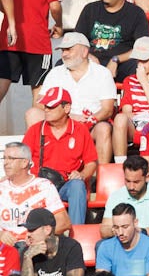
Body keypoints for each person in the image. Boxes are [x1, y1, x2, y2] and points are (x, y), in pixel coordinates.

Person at [29, 33, 116, 164]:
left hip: (91, 125)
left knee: (103, 128)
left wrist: (90, 120)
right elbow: (40, 104)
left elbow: (107, 109)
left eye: (69, 49)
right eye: (63, 50)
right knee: (32, 114)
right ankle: (37, 166)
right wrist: (69, 116)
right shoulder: (55, 73)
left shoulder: (102, 73)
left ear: (85, 51)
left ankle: (98, 178)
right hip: (60, 122)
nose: (64, 54)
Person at [22, 88, 95, 225]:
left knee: (77, 186)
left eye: (51, 106)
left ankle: (76, 234)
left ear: (66, 108)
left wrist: (82, 174)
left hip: (66, 185)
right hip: (39, 186)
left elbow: (91, 162)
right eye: (45, 106)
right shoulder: (35, 130)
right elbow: (21, 161)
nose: (46, 110)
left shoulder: (80, 130)